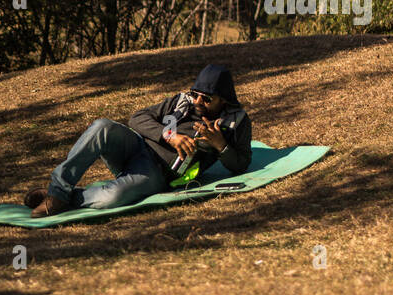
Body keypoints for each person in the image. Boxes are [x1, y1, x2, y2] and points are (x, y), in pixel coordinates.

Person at [25, 63, 252, 218]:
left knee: (113, 197)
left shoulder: (235, 123)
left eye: (207, 99)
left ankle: (62, 198)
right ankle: (58, 190)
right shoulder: (180, 101)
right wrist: (169, 135)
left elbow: (241, 164)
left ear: (224, 100)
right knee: (102, 126)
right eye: (195, 94)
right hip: (135, 147)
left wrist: (220, 145)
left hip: (157, 173)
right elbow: (137, 118)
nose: (198, 102)